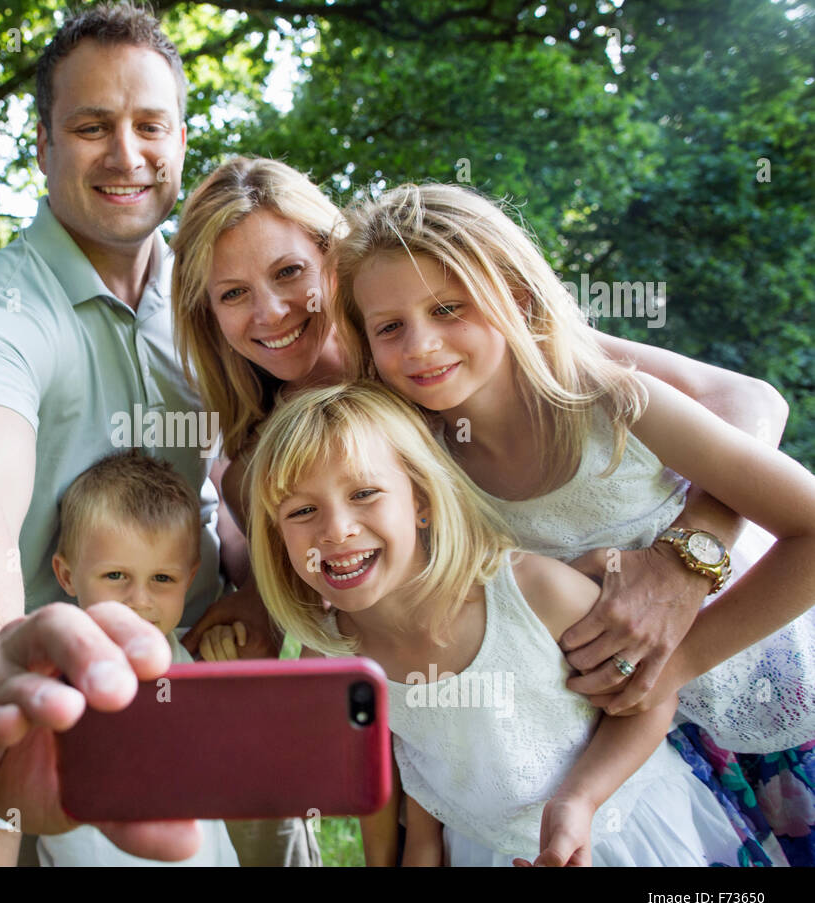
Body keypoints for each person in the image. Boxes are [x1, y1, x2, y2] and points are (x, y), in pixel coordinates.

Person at [170, 155, 792, 863]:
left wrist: (684, 564)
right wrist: (258, 594)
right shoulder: (294, 444)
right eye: (232, 294)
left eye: (288, 273)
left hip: (720, 657)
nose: (271, 312)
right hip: (564, 731)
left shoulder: (475, 353)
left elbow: (750, 401)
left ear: (331, 259)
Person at [0, 3, 291, 865]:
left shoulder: (218, 292)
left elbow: (246, 471)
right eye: (90, 126)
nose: (126, 154)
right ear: (42, 144)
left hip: (216, 683)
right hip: (75, 729)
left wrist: (255, 595)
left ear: (181, 139)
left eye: (150, 124)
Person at [333, 182, 815, 864]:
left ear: (517, 299)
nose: (422, 344)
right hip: (638, 750)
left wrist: (680, 660)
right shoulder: (423, 473)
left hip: (769, 695)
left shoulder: (612, 402)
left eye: (449, 308)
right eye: (389, 327)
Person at [246, 380, 749, 865]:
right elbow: (424, 754)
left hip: (626, 833)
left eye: (364, 494)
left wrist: (580, 801)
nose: (337, 530)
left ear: (420, 500)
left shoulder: (532, 592)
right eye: (303, 510)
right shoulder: (336, 660)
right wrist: (421, 847)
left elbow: (650, 699)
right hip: (483, 851)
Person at [0, 452, 240, 866]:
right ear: (67, 575)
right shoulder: (51, 677)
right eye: (116, 576)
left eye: (162, 579)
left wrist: (224, 668)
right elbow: (1, 818)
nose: (140, 601)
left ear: (190, 576)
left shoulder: (194, 659)